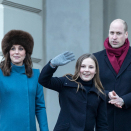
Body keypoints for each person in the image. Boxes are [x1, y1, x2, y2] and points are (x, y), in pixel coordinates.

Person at [38, 51, 108, 131]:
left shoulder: (99, 93)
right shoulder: (66, 82)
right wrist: (52, 64)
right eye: (83, 66)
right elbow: (43, 80)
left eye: (91, 67)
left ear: (95, 71)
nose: (87, 70)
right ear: (78, 68)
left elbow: (102, 125)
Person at [0, 30, 48, 131]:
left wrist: (45, 129)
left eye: (20, 48)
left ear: (26, 52)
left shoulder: (35, 75)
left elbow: (40, 107)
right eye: (13, 48)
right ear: (8, 52)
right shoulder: (0, 74)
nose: (16, 52)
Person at [94, 19, 131, 131]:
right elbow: (89, 86)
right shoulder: (96, 58)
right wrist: (107, 94)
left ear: (126, 34)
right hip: (104, 122)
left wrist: (124, 100)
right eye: (112, 33)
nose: (114, 37)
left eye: (118, 33)